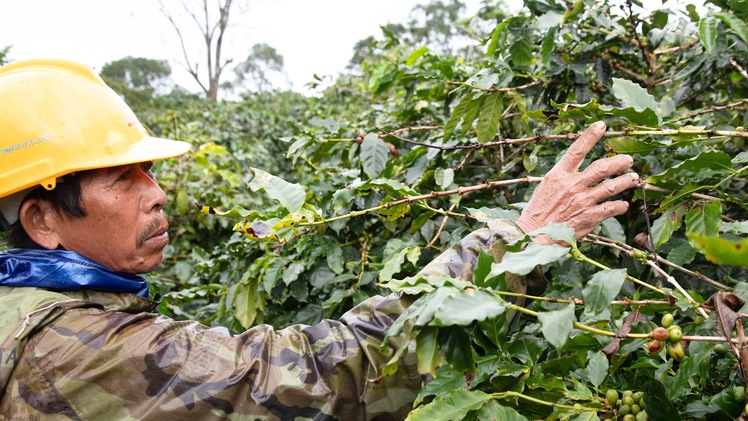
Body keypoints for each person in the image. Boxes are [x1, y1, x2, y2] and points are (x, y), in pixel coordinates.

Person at [0, 59, 640, 420]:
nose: (157, 192)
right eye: (122, 178)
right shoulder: (70, 349)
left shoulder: (28, 306)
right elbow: (323, 376)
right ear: (43, 221)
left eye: (151, 171)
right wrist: (517, 240)